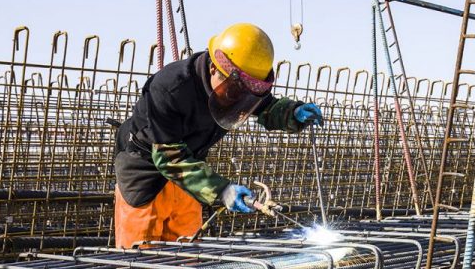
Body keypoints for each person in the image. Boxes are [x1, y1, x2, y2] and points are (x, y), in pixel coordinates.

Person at [113, 23, 323, 248]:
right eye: (236, 92)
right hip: (144, 176)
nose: (239, 101)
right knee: (136, 262)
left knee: (187, 258)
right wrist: (222, 190)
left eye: (248, 95)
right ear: (214, 68)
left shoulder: (238, 89)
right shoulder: (169, 88)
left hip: (191, 177)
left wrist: (293, 112)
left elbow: (266, 107)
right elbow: (169, 157)